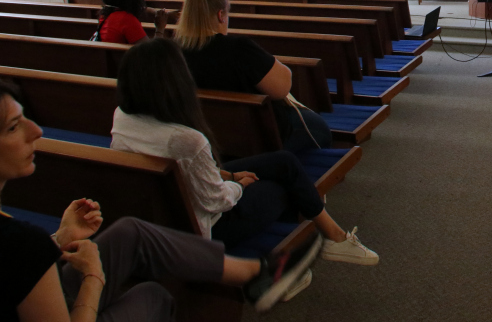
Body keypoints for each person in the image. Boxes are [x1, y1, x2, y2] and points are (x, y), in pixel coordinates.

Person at [0, 78, 313, 321]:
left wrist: (59, 239)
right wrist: (93, 277)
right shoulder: (22, 244)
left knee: (131, 231)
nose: (36, 130)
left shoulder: (22, 243)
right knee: (153, 296)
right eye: (14, 127)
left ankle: (254, 274)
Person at [111, 38, 378, 263]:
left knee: (284, 162)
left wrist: (228, 175)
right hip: (207, 227)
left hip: (172, 204)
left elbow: (188, 171)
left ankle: (333, 237)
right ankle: (289, 263)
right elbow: (217, 202)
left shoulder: (123, 117)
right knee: (284, 187)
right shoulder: (187, 140)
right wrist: (238, 185)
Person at [174, 0, 331, 154]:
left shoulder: (173, 50)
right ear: (221, 15)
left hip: (203, 136)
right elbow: (281, 89)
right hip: (253, 138)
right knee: (318, 126)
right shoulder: (238, 48)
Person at [94, 0, 169, 44]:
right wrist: (160, 28)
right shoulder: (127, 19)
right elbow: (151, 51)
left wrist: (153, 11)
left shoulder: (106, 14)